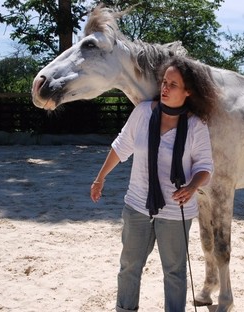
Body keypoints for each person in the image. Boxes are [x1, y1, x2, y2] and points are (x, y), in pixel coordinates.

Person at [90, 56, 218, 312]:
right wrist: (100, 177)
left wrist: (192, 186)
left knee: (174, 272)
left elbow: (205, 167)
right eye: (164, 82)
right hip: (137, 205)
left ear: (188, 91)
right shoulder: (143, 113)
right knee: (129, 266)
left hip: (175, 211)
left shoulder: (196, 126)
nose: (165, 88)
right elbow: (120, 147)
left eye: (173, 84)